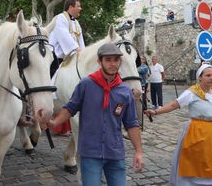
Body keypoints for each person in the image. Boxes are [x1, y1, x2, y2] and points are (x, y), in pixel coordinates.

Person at [45, 43, 144, 186]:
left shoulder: (125, 92)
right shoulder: (85, 84)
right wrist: (54, 122)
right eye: (108, 60)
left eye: (116, 60)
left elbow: (131, 124)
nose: (113, 64)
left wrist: (139, 152)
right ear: (99, 61)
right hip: (90, 154)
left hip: (115, 155)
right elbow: (70, 108)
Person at [145, 64, 212, 185]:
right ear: (200, 77)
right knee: (196, 162)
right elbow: (174, 104)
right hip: (197, 132)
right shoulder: (192, 93)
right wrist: (156, 112)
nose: (211, 77)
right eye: (208, 75)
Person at [49, 0, 85, 77]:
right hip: (55, 59)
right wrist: (77, 49)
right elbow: (65, 36)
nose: (80, 8)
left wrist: (84, 54)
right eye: (78, 6)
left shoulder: (76, 23)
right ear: (71, 7)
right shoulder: (60, 18)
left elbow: (81, 40)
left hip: (69, 60)